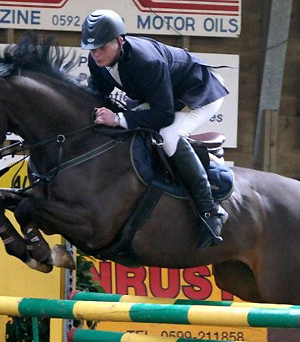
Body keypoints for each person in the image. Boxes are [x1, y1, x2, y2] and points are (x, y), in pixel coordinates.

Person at [81, 9, 229, 249]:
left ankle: (211, 210)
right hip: (164, 95)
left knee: (169, 136)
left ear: (120, 41)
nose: (96, 54)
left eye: (101, 48)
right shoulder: (97, 60)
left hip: (198, 92)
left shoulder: (146, 61)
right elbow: (98, 94)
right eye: (92, 48)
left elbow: (163, 114)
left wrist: (117, 119)